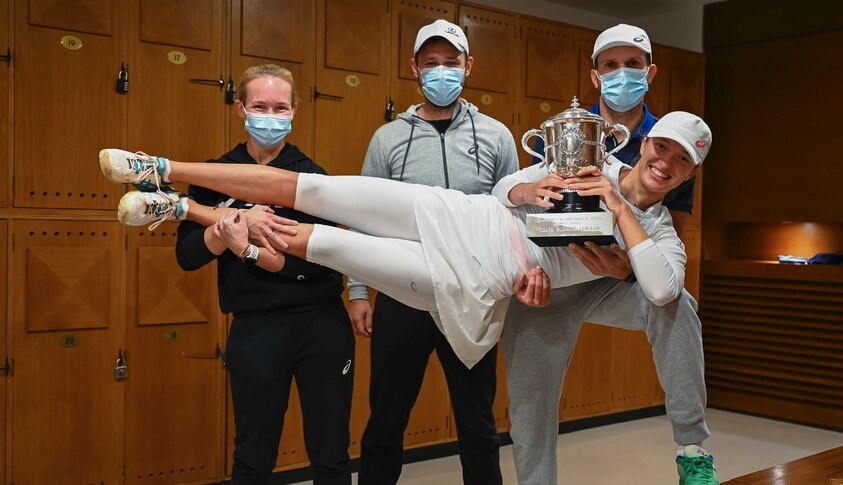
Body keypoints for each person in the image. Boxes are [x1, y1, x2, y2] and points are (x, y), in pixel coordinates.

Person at [98, 111, 709, 375]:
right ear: (646, 144)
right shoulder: (583, 162)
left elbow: (660, 288)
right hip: (456, 212)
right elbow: (505, 192)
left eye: (680, 162)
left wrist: (620, 209)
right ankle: (161, 169)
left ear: (687, 175)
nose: (665, 163)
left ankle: (180, 207)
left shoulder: (657, 234)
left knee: (322, 243)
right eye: (662, 148)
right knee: (312, 188)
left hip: (469, 275)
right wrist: (525, 194)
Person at [120, 64, 355, 485]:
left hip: (321, 325)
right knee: (252, 455)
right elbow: (188, 256)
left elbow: (324, 265)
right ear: (240, 109)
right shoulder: (214, 177)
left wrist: (251, 247)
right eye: (260, 106)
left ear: (295, 110)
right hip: (255, 328)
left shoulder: (312, 178)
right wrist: (227, 230)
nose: (271, 115)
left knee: (331, 453)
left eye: (280, 107)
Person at [504, 24, 719, 485]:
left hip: (615, 282)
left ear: (651, 71)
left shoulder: (670, 136)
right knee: (531, 404)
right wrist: (525, 270)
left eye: (633, 65)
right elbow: (519, 207)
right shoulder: (570, 134)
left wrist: (628, 274)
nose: (665, 162)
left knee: (679, 303)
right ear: (596, 75)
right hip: (549, 285)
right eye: (611, 66)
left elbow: (666, 251)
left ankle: (693, 449)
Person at [346, 19, 519, 485]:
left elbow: (512, 215)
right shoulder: (387, 139)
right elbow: (363, 216)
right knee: (385, 418)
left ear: (469, 67)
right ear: (414, 69)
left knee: (477, 422)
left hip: (471, 296)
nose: (442, 72)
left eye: (452, 63)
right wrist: (358, 290)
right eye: (431, 64)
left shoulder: (497, 136)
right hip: (403, 292)